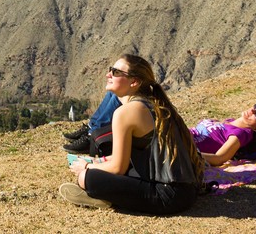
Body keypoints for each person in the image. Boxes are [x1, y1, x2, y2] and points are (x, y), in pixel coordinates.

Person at [59, 54, 204, 214]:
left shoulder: (126, 112)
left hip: (169, 197)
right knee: (98, 172)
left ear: (134, 82)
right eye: (110, 70)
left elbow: (117, 168)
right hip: (186, 190)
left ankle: (107, 198)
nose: (108, 75)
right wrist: (98, 162)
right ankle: (109, 195)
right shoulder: (152, 104)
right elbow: (126, 160)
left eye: (115, 72)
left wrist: (87, 166)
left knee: (86, 177)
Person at [190, 102, 256, 166]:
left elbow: (219, 158)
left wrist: (188, 154)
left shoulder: (241, 133)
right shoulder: (227, 122)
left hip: (185, 146)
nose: (252, 111)